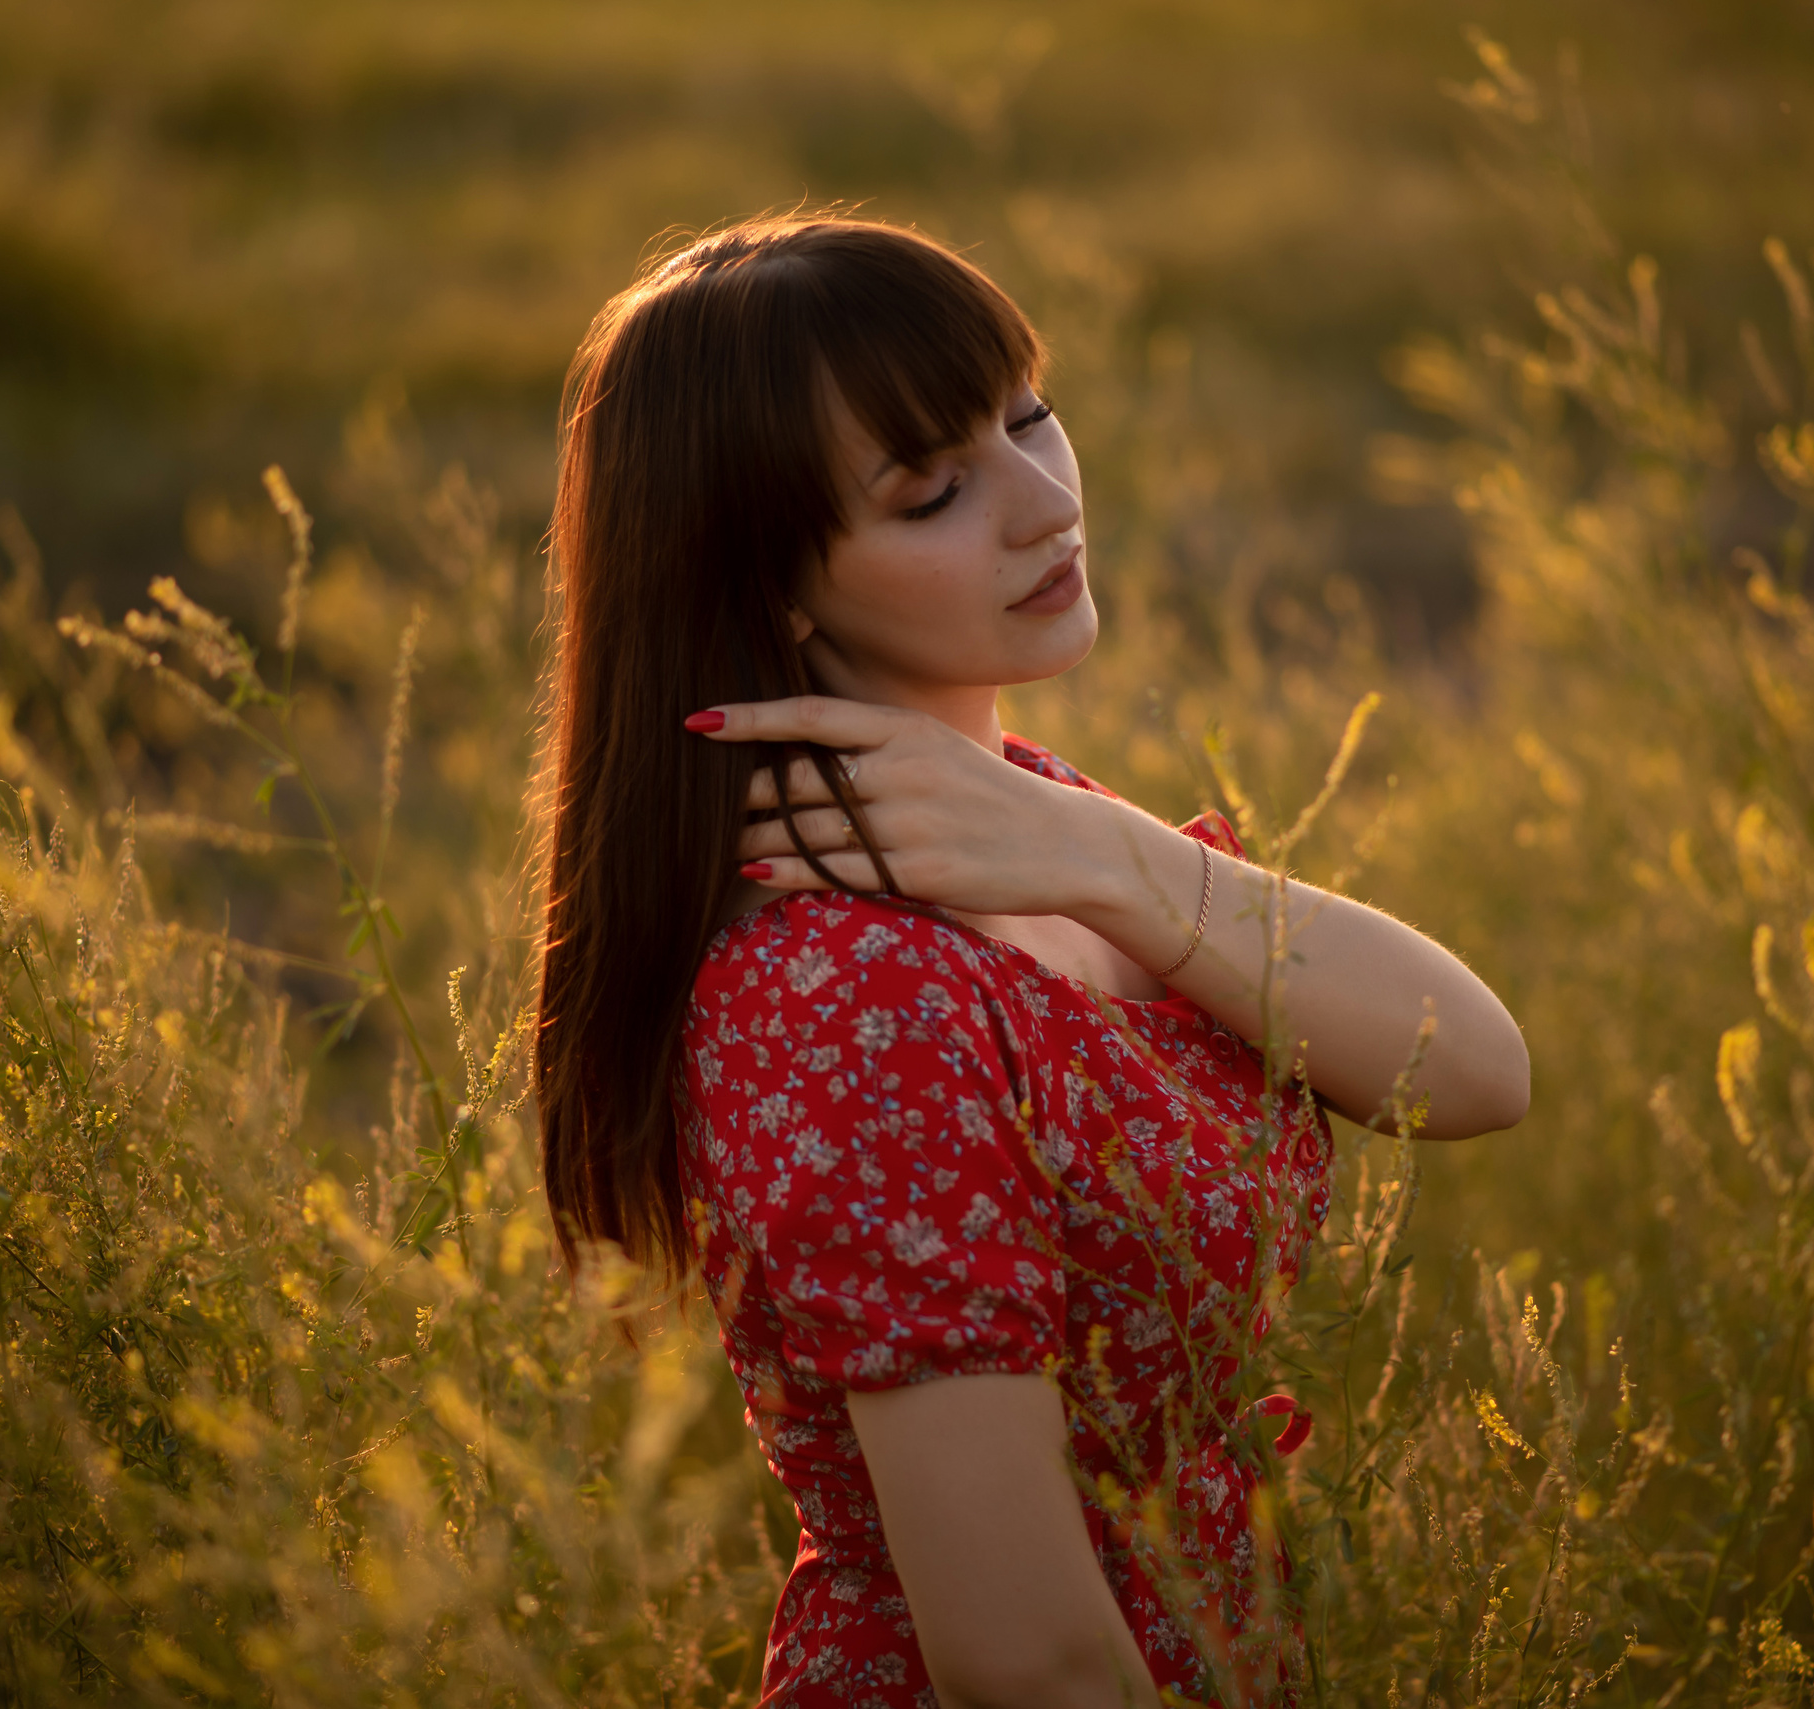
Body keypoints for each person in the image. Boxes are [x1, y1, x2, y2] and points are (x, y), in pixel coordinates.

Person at [532, 215, 1528, 1709]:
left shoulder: (1027, 823)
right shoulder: (850, 995)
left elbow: (1474, 1072)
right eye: (932, 491)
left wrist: (1104, 851)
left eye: (1030, 415)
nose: (1046, 501)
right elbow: (1025, 1661)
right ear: (771, 585)